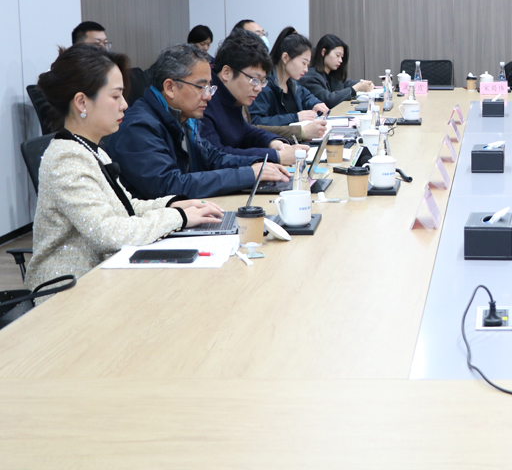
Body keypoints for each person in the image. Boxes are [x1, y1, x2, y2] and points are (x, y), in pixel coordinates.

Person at [25, 45, 225, 292]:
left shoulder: (92, 149)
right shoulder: (66, 159)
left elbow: (126, 208)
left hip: (100, 278)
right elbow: (109, 233)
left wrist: (176, 204)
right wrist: (179, 217)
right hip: (66, 292)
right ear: (82, 102)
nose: (125, 105)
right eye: (116, 96)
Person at [104, 44, 288, 199]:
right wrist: (247, 174)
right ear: (170, 87)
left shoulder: (185, 118)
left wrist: (259, 166)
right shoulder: (138, 127)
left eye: (209, 87)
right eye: (201, 87)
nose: (208, 96)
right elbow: (170, 186)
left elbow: (214, 158)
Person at [201, 31, 312, 165]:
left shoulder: (232, 95)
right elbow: (216, 156)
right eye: (254, 79)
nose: (259, 88)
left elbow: (245, 131)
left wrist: (273, 142)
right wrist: (275, 156)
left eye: (262, 81)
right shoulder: (204, 100)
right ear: (227, 73)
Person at [249, 27, 330, 126]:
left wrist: (315, 104)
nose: (306, 69)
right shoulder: (264, 86)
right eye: (303, 63)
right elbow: (255, 122)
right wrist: (295, 117)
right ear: (285, 58)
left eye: (307, 64)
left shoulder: (292, 84)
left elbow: (306, 96)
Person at [299, 34, 374, 108]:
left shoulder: (331, 74)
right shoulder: (310, 77)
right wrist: (356, 88)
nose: (340, 60)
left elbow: (345, 84)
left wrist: (363, 83)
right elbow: (328, 100)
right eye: (337, 55)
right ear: (324, 52)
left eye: (341, 57)